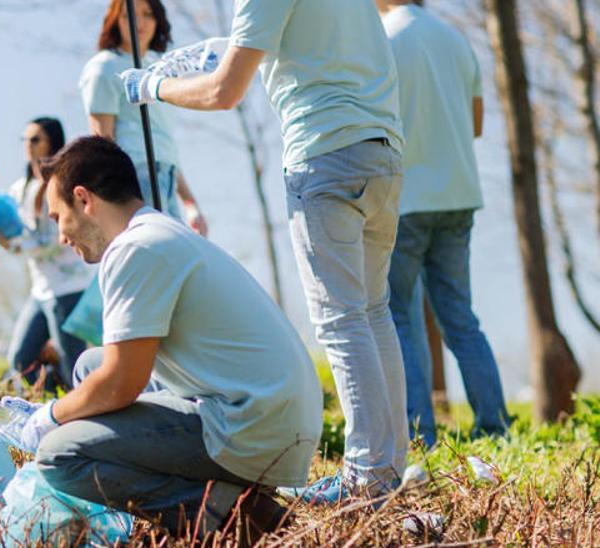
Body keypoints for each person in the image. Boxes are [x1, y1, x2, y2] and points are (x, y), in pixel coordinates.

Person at [123, 0, 408, 503]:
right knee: (372, 312)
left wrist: (152, 87)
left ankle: (366, 481)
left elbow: (223, 90)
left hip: (324, 156)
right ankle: (386, 471)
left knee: (342, 320)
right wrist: (228, 47)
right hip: (380, 150)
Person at [0, 136, 321, 540]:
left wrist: (50, 417)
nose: (61, 236)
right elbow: (114, 372)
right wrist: (66, 411)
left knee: (60, 456)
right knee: (88, 366)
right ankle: (200, 495)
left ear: (84, 199)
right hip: (268, 413)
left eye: (57, 216)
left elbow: (121, 383)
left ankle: (234, 513)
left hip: (253, 427)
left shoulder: (136, 249)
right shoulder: (157, 232)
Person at [378, 0, 509, 448]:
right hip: (459, 195)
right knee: (460, 318)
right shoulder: (456, 38)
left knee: (400, 317)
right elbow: (474, 124)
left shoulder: (383, 40)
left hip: (406, 199)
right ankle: (495, 428)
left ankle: (421, 436)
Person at [78, 0, 206, 234]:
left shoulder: (159, 70)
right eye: (129, 15)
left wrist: (189, 201)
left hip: (166, 176)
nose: (140, 22)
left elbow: (163, 142)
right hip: (135, 176)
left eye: (148, 14)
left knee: (177, 256)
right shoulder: (105, 67)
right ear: (116, 20)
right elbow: (102, 142)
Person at [1, 117, 94, 393]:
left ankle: (84, 409)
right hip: (40, 289)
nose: (28, 146)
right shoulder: (20, 188)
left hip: (68, 287)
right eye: (25, 140)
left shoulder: (63, 183)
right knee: (20, 359)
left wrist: (17, 245)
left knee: (74, 363)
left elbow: (59, 237)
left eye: (35, 139)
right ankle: (62, 401)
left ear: (52, 142)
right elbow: (13, 226)